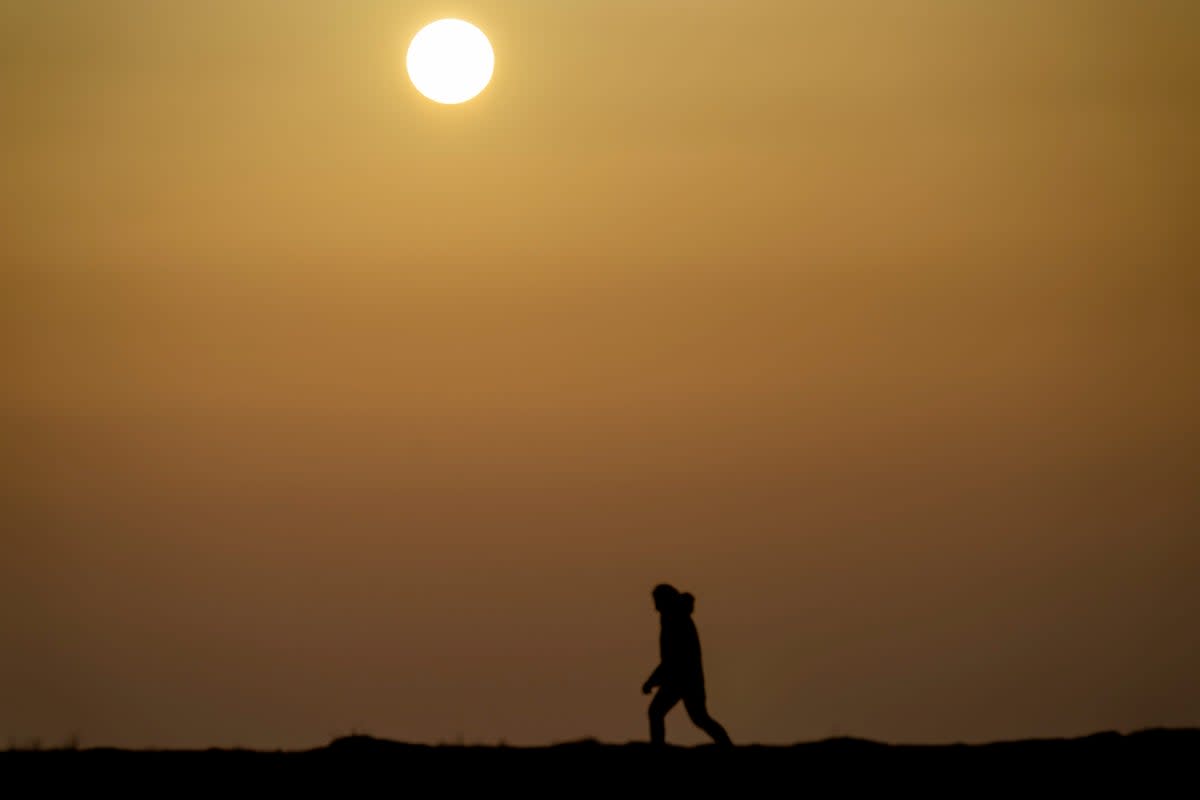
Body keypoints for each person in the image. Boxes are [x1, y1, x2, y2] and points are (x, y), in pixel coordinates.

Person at [642, 583, 733, 746]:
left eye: (657, 601)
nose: (655, 607)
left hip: (684, 679)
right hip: (685, 678)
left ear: (665, 600)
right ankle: (727, 746)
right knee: (698, 718)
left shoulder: (676, 620)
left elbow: (673, 658)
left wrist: (652, 681)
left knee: (664, 713)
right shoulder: (672, 618)